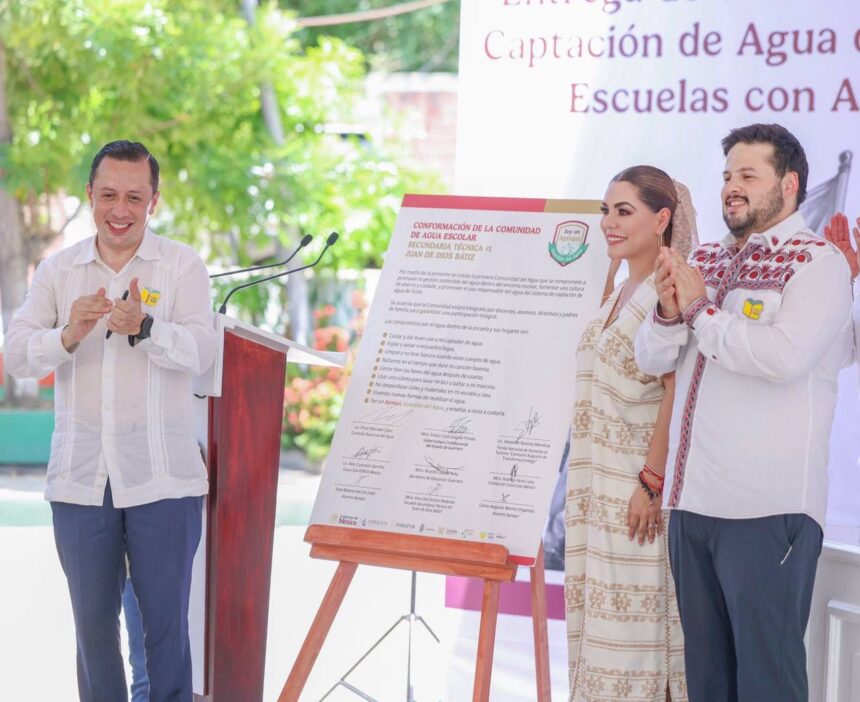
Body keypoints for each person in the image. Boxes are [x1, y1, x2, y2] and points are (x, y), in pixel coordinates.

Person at [635, 123, 853, 702]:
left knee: (766, 684)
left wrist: (701, 309)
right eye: (728, 174)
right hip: (691, 507)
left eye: (748, 176)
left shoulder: (818, 263)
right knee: (707, 684)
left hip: (766, 512)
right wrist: (665, 307)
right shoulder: (704, 257)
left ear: (788, 185)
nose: (732, 186)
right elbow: (651, 357)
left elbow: (783, 358)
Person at [5, 140, 216, 702]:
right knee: (93, 631)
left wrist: (147, 329)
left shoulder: (182, 266)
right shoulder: (58, 270)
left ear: (153, 200)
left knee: (167, 629)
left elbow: (203, 353)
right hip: (80, 478)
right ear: (89, 196)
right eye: (107, 196)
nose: (119, 210)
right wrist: (68, 335)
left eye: (133, 197)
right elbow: (18, 354)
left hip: (164, 478)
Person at [565, 165, 696, 701]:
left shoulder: (669, 290)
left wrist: (651, 480)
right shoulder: (616, 293)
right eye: (605, 211)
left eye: (624, 211)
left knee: (640, 646)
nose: (608, 223)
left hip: (638, 497)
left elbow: (676, 392)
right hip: (594, 499)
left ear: (662, 218)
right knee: (599, 641)